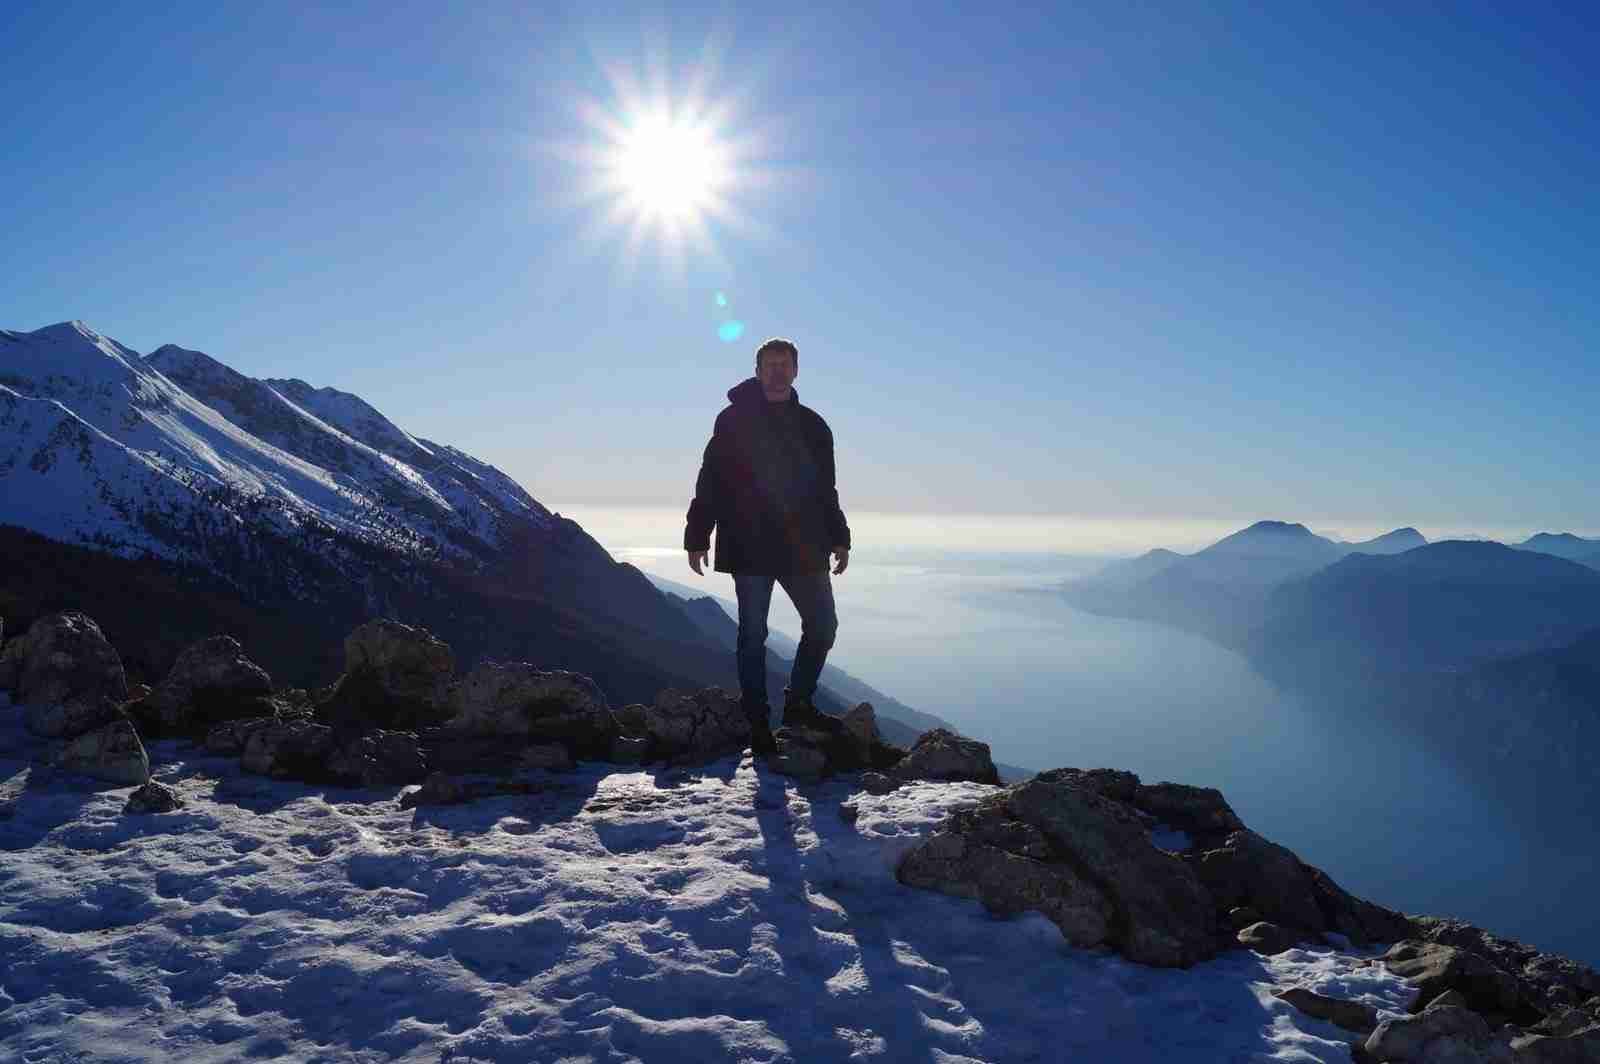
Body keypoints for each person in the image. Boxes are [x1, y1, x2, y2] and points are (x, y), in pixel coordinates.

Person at [683, 337, 851, 756]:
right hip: (749, 542)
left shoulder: (814, 426)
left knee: (823, 626)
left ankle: (798, 705)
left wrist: (839, 536)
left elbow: (825, 488)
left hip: (804, 544)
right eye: (769, 364)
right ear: (757, 371)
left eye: (784, 364)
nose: (777, 371)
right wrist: (697, 535)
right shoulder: (732, 421)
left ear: (796, 370)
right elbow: (711, 480)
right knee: (752, 635)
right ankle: (757, 722)